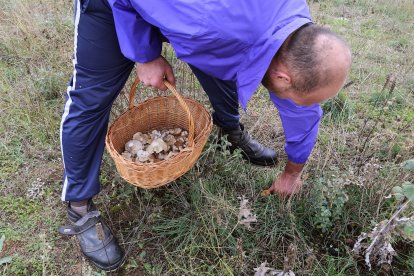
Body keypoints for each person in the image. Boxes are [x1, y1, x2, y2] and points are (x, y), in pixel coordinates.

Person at [58, 0, 352, 271]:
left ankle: (230, 131)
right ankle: (79, 207)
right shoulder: (207, 23)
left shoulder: (296, 31)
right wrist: (145, 54)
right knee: (90, 99)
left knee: (225, 62)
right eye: (298, 98)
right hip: (118, 6)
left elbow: (302, 112)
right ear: (283, 77)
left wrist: (292, 173)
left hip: (197, 20)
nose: (299, 106)